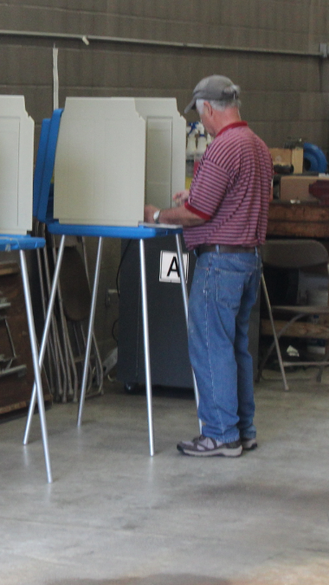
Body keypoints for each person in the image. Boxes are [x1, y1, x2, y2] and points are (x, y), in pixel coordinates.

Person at [144, 75, 274, 457]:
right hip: (248, 259)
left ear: (210, 109)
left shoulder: (223, 148)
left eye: (201, 117)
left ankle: (219, 434)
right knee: (235, 348)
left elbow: (197, 214)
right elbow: (234, 198)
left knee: (210, 345)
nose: (202, 124)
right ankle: (243, 430)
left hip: (219, 262)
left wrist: (158, 215)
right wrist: (196, 193)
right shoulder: (257, 146)